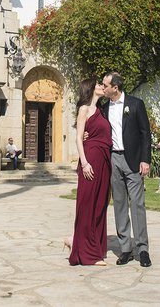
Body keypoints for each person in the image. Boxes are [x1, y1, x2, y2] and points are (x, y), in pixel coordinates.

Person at [100, 71, 152, 267]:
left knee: (137, 204)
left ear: (116, 87)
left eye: (105, 85)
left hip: (133, 160)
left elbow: (145, 134)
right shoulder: (104, 109)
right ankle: (125, 249)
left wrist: (145, 160)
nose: (103, 88)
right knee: (120, 204)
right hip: (114, 159)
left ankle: (143, 249)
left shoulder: (136, 104)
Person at [67, 76, 111, 266]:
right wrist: (84, 163)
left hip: (104, 162)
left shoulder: (101, 110)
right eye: (99, 85)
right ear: (91, 88)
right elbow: (78, 137)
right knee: (87, 203)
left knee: (100, 204)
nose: (102, 87)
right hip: (90, 161)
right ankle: (87, 253)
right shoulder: (84, 109)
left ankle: (75, 240)